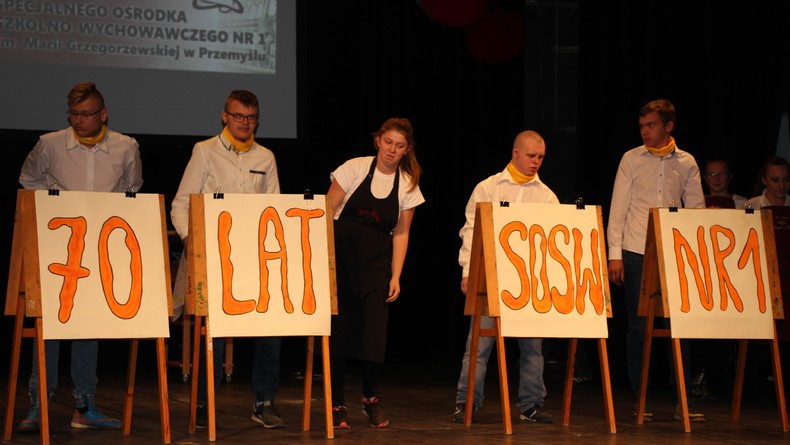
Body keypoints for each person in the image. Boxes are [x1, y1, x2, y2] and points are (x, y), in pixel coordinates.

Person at [17, 81, 142, 432]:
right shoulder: (50, 144)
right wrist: (55, 208)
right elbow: (28, 180)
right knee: (49, 325)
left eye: (86, 114)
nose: (78, 120)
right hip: (58, 245)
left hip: (100, 247)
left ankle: (84, 406)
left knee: (88, 325)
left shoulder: (126, 147)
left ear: (103, 114)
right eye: (73, 113)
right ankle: (39, 404)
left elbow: (132, 189)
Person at [170, 90, 284, 429]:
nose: (244, 123)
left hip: (255, 258)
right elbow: (181, 204)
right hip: (214, 258)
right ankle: (204, 403)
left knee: (271, 325)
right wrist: (192, 243)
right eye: (238, 116)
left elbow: (274, 208)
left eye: (250, 117)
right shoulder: (205, 151)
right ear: (224, 116)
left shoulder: (266, 157)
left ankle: (264, 401)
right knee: (213, 333)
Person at [607, 99, 706, 422]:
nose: (645, 131)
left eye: (651, 125)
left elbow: (696, 211)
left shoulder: (686, 162)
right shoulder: (631, 159)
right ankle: (641, 397)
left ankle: (683, 399)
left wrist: (695, 256)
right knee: (639, 326)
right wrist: (615, 255)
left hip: (674, 253)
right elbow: (618, 209)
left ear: (668, 126)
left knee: (679, 325)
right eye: (642, 126)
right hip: (637, 250)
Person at [452, 130, 556, 425]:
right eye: (531, 156)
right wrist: (468, 271)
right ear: (515, 153)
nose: (536, 162)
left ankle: (531, 404)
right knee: (479, 345)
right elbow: (471, 230)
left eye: (541, 157)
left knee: (532, 347)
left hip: (529, 282)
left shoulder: (546, 196)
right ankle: (467, 402)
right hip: (490, 277)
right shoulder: (488, 187)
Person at [326, 117, 425, 429]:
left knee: (374, 332)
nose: (392, 150)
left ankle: (370, 397)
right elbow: (324, 214)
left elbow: (401, 234)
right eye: (388, 142)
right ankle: (336, 403)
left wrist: (396, 276)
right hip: (341, 260)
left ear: (407, 149)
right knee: (339, 331)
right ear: (378, 141)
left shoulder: (407, 184)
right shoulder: (354, 168)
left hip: (375, 264)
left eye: (399, 146)